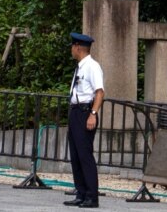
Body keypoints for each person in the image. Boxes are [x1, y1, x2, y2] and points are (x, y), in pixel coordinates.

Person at [66, 32, 105, 208]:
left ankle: (92, 196)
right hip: (75, 112)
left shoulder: (92, 66)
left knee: (85, 155)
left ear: (78, 47)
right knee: (75, 155)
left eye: (72, 46)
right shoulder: (80, 67)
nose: (71, 49)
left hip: (85, 112)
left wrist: (93, 114)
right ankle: (81, 193)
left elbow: (100, 92)